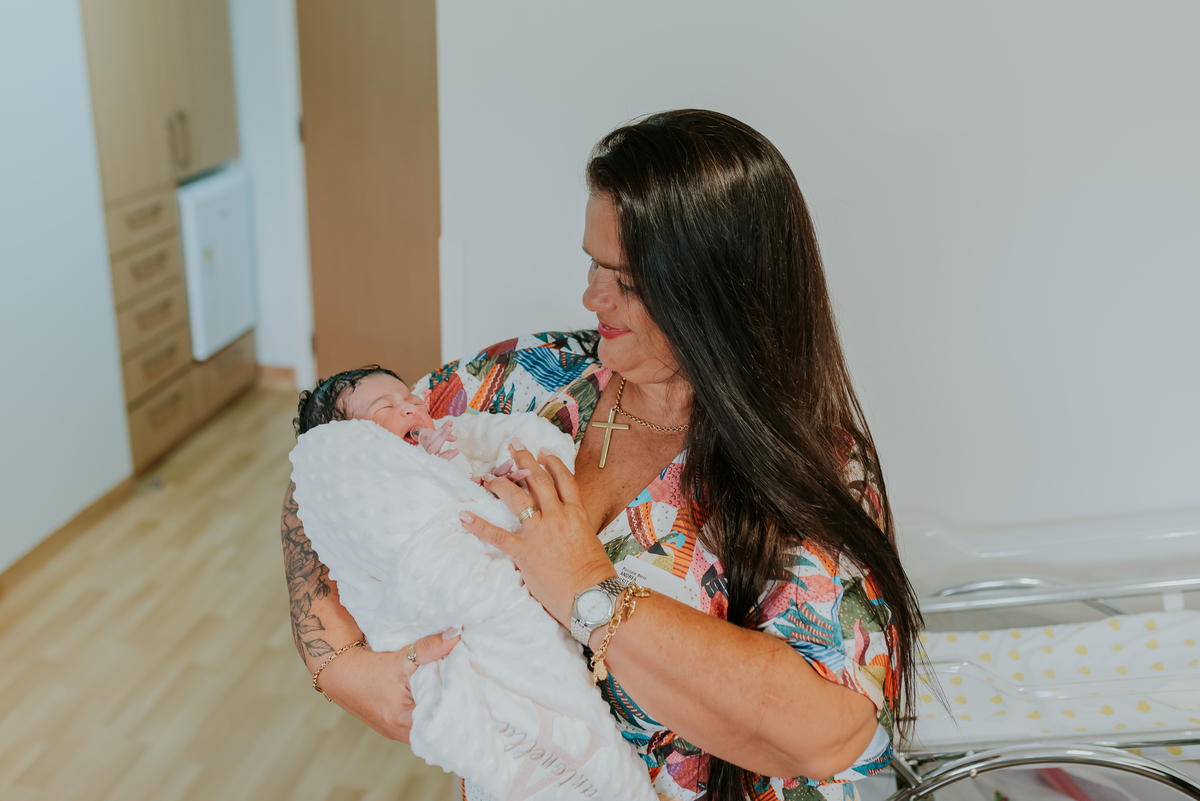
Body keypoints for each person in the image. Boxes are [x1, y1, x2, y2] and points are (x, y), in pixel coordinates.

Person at [280, 109, 922, 801]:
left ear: (720, 294)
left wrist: (588, 589)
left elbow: (831, 732)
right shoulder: (533, 382)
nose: (591, 296)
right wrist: (339, 664)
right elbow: (333, 458)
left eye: (628, 280)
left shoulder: (814, 464)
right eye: (592, 262)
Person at [289, 367, 654, 800]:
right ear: (354, 446)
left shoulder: (444, 447)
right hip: (460, 602)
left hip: (505, 601)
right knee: (520, 728)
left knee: (552, 708)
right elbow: (331, 491)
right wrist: (337, 668)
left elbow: (485, 481)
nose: (411, 405)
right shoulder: (381, 480)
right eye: (386, 407)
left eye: (410, 400)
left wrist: (495, 475)